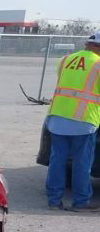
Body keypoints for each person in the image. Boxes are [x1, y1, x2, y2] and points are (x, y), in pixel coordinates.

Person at [46, 32, 100, 211]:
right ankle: (81, 202)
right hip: (83, 121)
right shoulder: (98, 64)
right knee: (82, 163)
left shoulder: (65, 60)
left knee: (57, 161)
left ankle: (53, 201)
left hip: (57, 118)